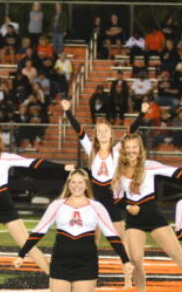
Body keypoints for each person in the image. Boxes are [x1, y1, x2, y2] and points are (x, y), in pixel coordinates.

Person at [0, 124, 73, 292]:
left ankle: (56, 281)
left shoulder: (5, 157)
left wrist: (61, 167)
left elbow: (34, 163)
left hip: (4, 204)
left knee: (27, 245)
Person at [14, 169, 134, 292]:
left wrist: (125, 260)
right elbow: (38, 232)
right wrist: (21, 255)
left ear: (86, 185)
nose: (76, 185)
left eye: (80, 182)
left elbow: (112, 236)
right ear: (68, 184)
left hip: (86, 262)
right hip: (61, 262)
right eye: (73, 182)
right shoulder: (57, 205)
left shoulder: (96, 207)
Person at [111, 133, 182, 292]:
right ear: (123, 150)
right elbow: (117, 198)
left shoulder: (149, 166)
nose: (132, 151)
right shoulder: (118, 171)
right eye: (128, 148)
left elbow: (176, 172)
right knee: (136, 260)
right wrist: (127, 207)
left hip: (154, 216)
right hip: (134, 220)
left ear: (140, 149)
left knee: (178, 255)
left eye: (135, 147)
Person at [61, 99, 146, 242]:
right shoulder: (91, 149)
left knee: (119, 236)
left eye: (105, 130)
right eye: (99, 131)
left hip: (112, 194)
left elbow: (131, 130)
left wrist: (142, 114)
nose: (102, 133)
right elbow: (79, 131)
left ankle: (126, 262)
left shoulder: (117, 150)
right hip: (95, 193)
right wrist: (68, 112)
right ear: (96, 135)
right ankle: (91, 262)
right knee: (92, 236)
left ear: (111, 134)